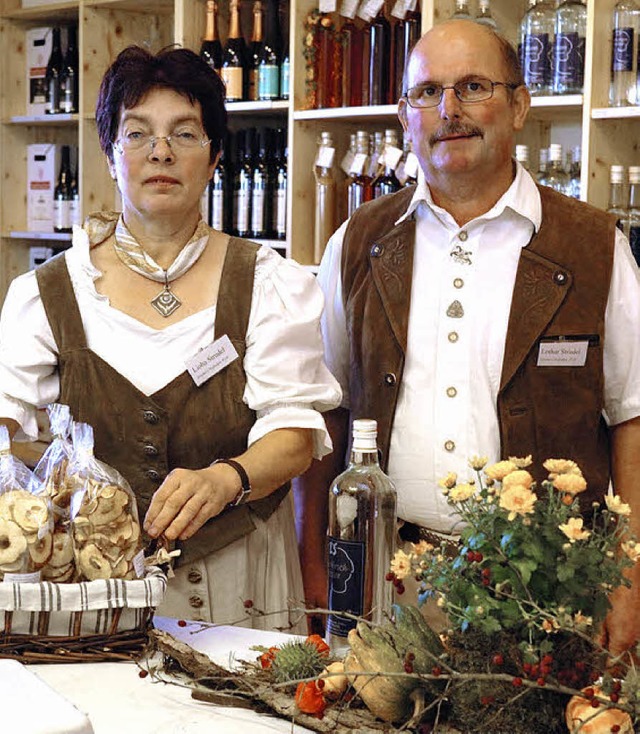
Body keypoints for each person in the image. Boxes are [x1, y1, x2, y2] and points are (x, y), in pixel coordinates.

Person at [295, 19, 640, 656]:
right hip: (387, 590)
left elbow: (632, 420)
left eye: (473, 87)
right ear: (404, 114)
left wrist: (629, 583)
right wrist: (314, 562)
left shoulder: (595, 246)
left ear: (519, 104)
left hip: (549, 595)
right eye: (428, 92)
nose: (449, 111)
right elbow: (323, 416)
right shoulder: (356, 245)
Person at [0, 46, 341, 632]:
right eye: (138, 134)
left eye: (185, 133)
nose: (160, 151)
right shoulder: (46, 293)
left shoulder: (268, 282)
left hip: (240, 578)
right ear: (110, 155)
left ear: (213, 159)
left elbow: (294, 437)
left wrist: (225, 477)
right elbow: (6, 430)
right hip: (91, 594)